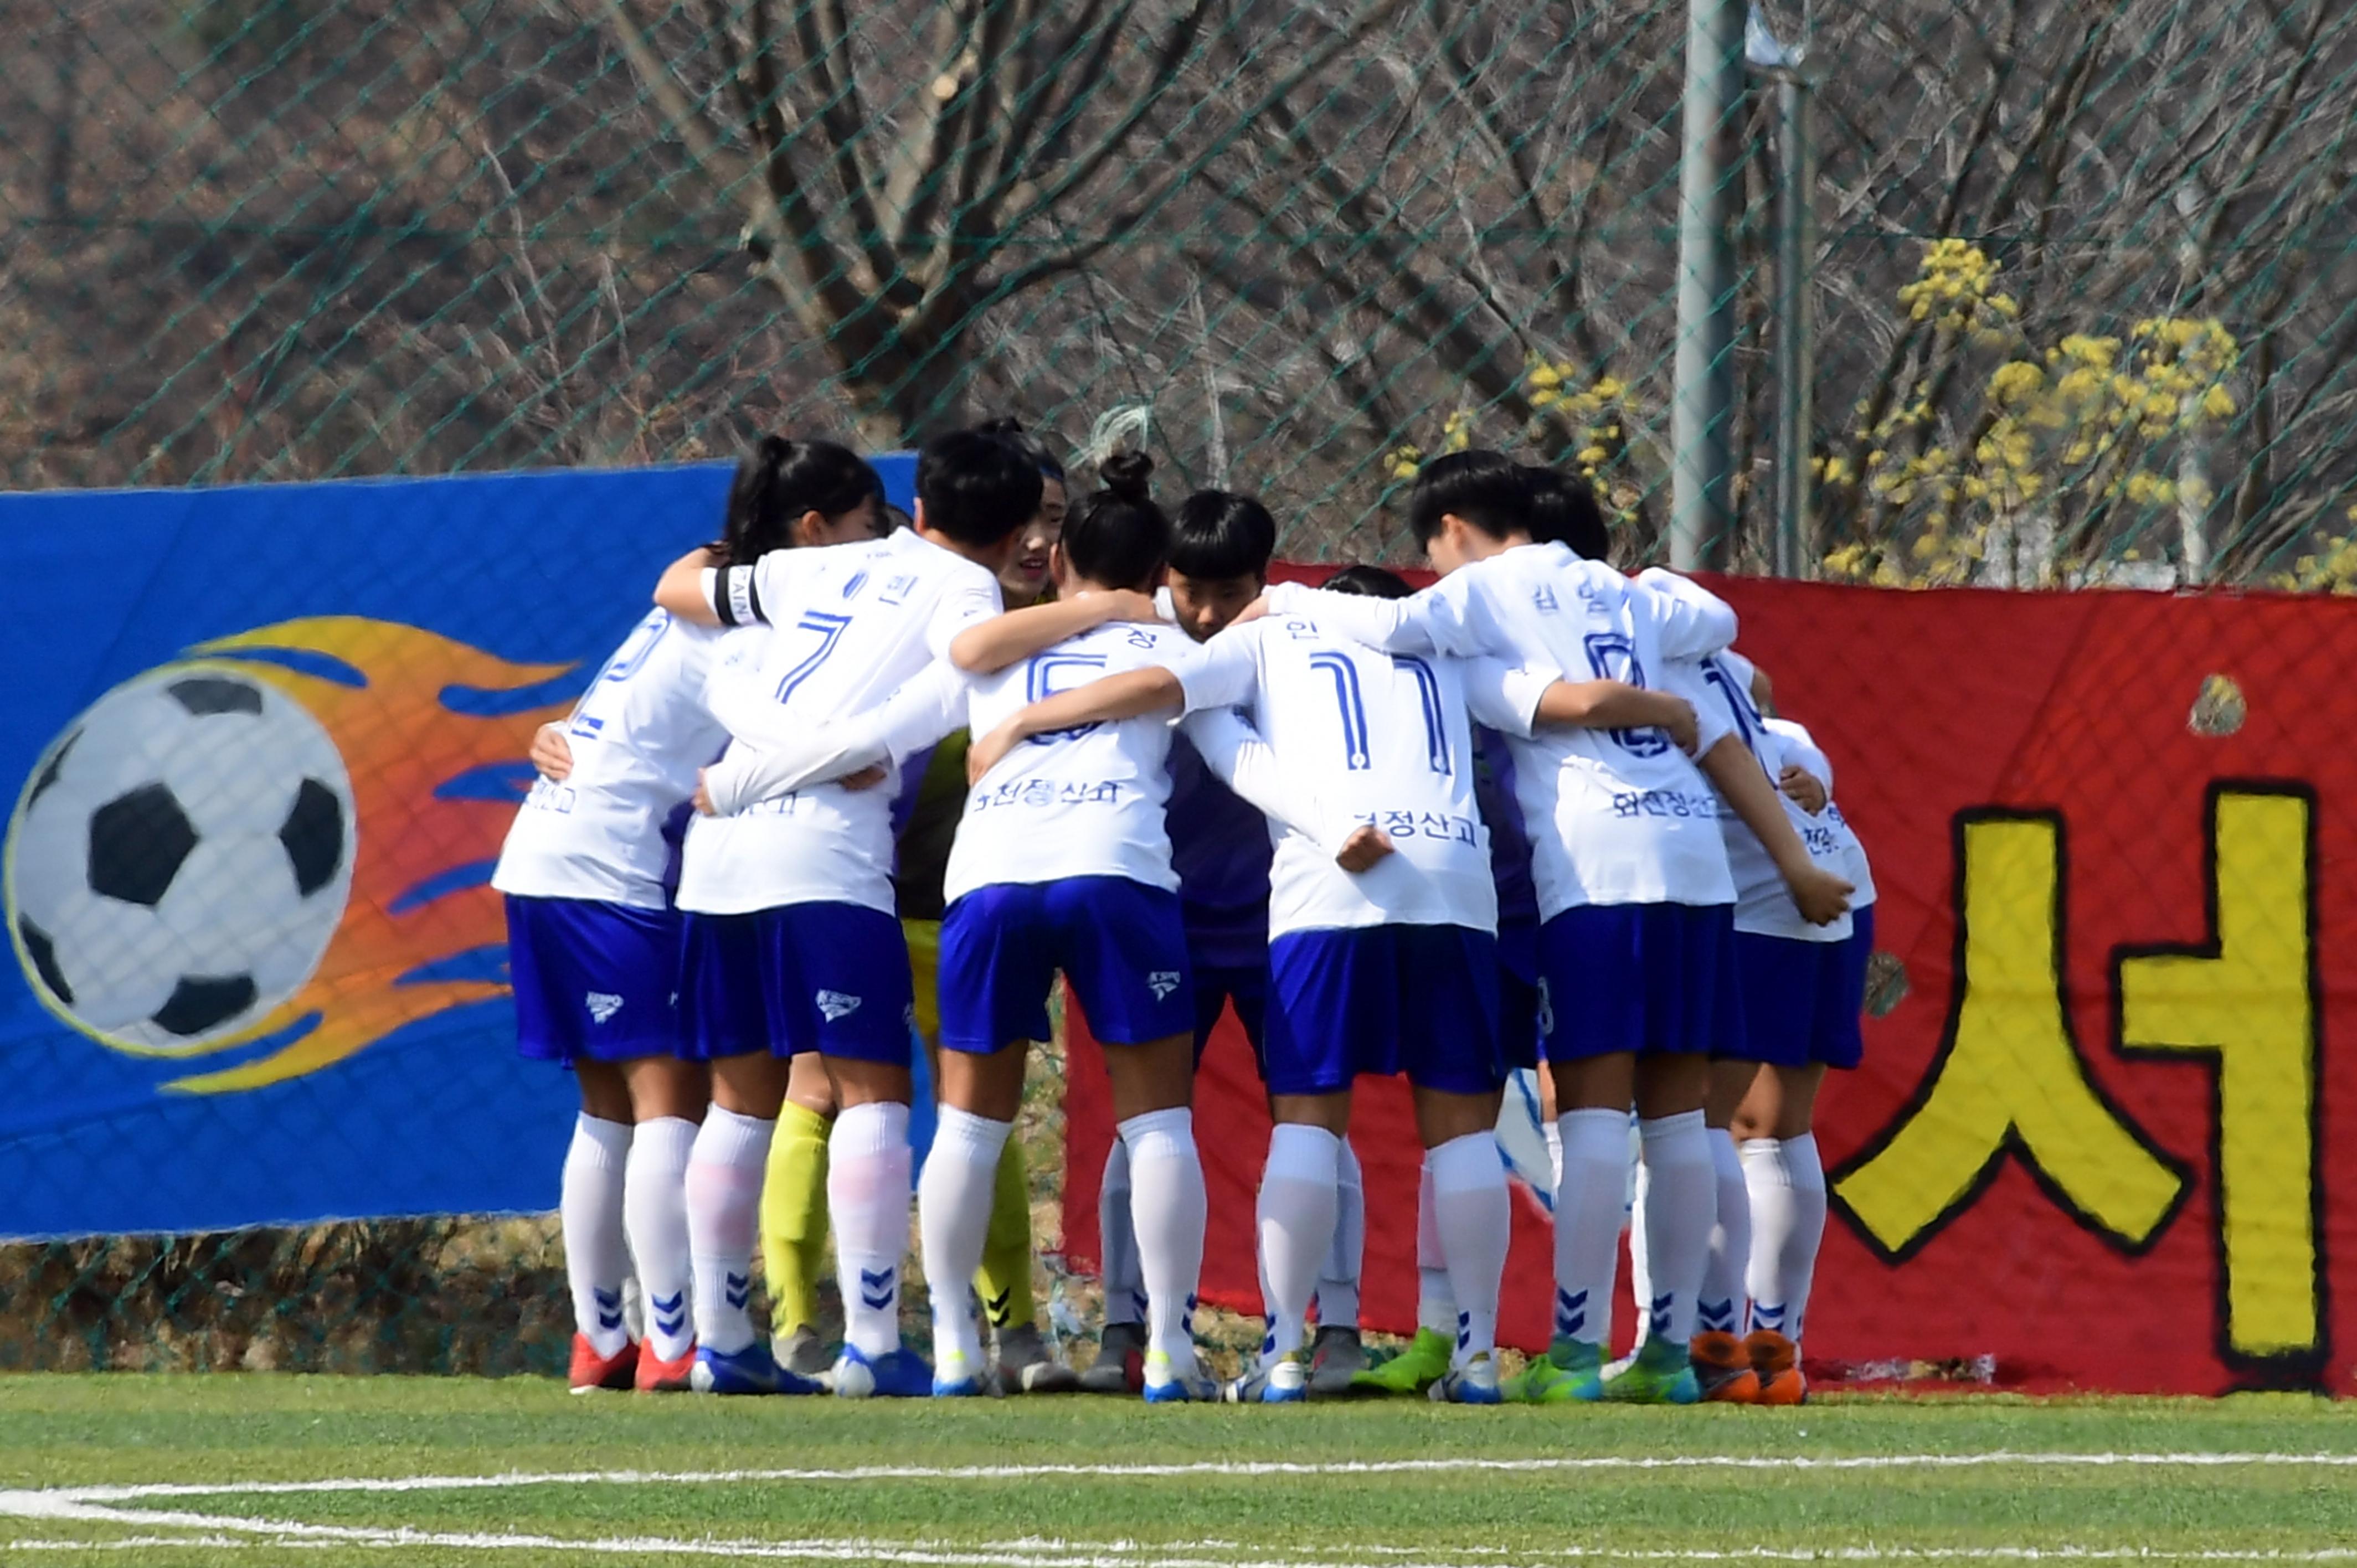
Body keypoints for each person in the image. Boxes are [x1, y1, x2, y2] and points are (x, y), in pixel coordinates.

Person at [966, 560, 1697, 1404]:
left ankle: (1280, 1357)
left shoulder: (1274, 636)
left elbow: (1159, 685)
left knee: (1309, 1118)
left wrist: (1023, 721)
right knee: (1460, 1129)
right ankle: (1477, 1360)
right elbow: (1554, 699)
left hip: (1329, 887)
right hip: (1454, 882)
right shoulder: (1447, 653)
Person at [1254, 451, 1844, 1404]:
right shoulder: (1627, 592)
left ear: (1451, 530)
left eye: (1434, 553)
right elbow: (1723, 636)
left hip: (1598, 862)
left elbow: (1407, 627)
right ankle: (1674, 1353)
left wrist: (1288, 602)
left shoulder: (1484, 599)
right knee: (1683, 1116)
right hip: (1695, 858)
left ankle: (1574, 1354)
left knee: (1596, 1107)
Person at [493, 436, 883, 1394]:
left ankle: (603, 1341)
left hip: (545, 852)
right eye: (870, 525)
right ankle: (674, 1345)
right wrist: (858, 755)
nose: (877, 545)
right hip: (609, 867)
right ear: (815, 529)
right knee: (670, 1099)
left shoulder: (706, 584)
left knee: (606, 1107)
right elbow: (802, 742)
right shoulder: (750, 625)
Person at [756, 416, 1077, 1391]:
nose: (1035, 541)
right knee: (818, 1090)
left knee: (977, 1110)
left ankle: (1011, 1330)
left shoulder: (1055, 634)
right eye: (1026, 519)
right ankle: (796, 1321)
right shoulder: (931, 609)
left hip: (962, 911)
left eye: (1054, 522)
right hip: (856, 895)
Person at [1087, 488, 1372, 1395]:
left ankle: (1336, 1328)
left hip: (1285, 921)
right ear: (1160, 580)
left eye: (1232, 592)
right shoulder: (1138, 650)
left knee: (1316, 1121)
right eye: (1188, 591)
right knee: (1148, 1127)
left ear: (1267, 580)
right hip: (1165, 919)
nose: (1209, 615)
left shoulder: (1292, 647)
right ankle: (1129, 1327)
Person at [1733, 685, 1879, 1405]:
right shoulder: (1782, 728)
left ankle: (1730, 1345)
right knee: (1770, 1128)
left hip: (1768, 896)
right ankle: (1770, 1346)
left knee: (1730, 1126)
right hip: (1832, 878)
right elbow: (1761, 691)